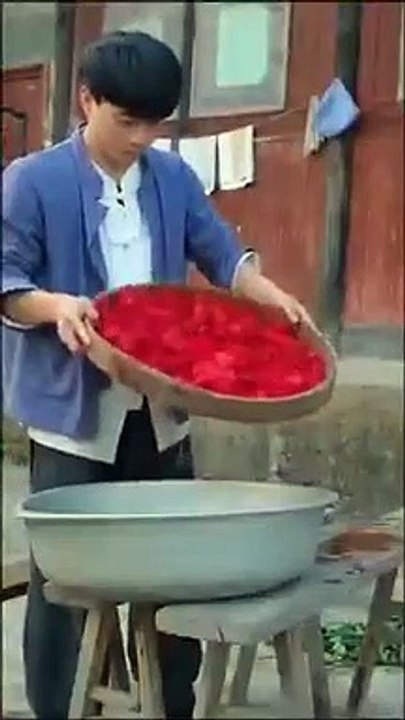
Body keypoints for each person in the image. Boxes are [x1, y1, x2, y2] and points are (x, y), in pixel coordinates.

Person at [2, 31, 315, 720]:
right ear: (87, 101)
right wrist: (56, 307)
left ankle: (170, 702)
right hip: (75, 417)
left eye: (154, 124)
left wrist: (265, 293)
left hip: (162, 406)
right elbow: (7, 279)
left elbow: (220, 251)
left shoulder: (171, 177)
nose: (141, 138)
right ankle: (61, 707)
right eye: (127, 121)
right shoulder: (33, 181)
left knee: (178, 570)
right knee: (67, 584)